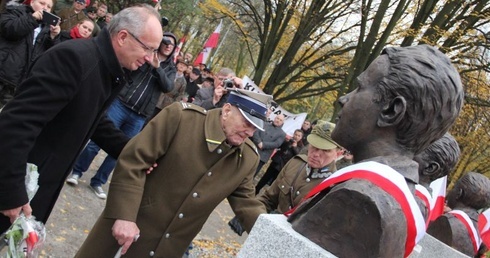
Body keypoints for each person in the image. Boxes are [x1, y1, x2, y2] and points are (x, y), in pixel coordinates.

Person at [287, 45, 464, 257]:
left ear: (391, 111)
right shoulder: (398, 195)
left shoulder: (358, 200)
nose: (343, 99)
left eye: (360, 88)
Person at [0, 4, 163, 233]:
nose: (150, 59)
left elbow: (90, 117)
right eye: (148, 48)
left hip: (37, 185)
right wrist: (10, 191)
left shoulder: (108, 70)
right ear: (123, 37)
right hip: (17, 186)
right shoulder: (74, 59)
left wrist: (134, 153)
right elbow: (17, 124)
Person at [75, 89, 271, 257]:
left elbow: (247, 204)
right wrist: (125, 215)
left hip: (168, 250)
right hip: (125, 229)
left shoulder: (247, 158)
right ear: (227, 110)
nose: (250, 132)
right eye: (247, 123)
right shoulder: (181, 119)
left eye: (255, 127)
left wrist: (273, 239)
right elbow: (134, 160)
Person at [66, 32, 177, 199]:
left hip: (140, 115)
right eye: (166, 42)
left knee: (123, 150)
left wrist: (157, 68)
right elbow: (131, 70)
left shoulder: (170, 69)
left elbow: (168, 87)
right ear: (160, 43)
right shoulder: (144, 55)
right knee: (96, 140)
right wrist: (148, 59)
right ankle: (77, 171)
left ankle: (98, 182)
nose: (169, 46)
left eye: (172, 45)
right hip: (122, 103)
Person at [229, 121, 342, 236]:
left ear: (338, 153)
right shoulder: (296, 163)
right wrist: (248, 215)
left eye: (325, 150)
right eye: (314, 147)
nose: (316, 154)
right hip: (269, 231)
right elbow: (269, 198)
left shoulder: (335, 186)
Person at [0, 0, 61, 108]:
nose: (45, 8)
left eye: (49, 6)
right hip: (3, 72)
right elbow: (10, 30)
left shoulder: (47, 27)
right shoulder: (14, 11)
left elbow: (49, 55)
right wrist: (32, 19)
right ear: (32, 2)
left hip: (20, 82)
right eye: (42, 3)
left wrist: (53, 37)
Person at [427, 172, 490, 257]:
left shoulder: (447, 221)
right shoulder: (476, 229)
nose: (450, 191)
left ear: (459, 193)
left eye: (454, 187)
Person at [255, 129, 304, 194]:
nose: (296, 137)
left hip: (284, 166)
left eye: (299, 136)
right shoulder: (289, 140)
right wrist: (286, 141)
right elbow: (279, 146)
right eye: (296, 134)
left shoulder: (301, 147)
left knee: (275, 183)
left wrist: (294, 147)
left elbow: (298, 155)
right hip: (276, 162)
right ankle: (256, 190)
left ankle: (267, 195)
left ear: (301, 137)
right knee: (265, 178)